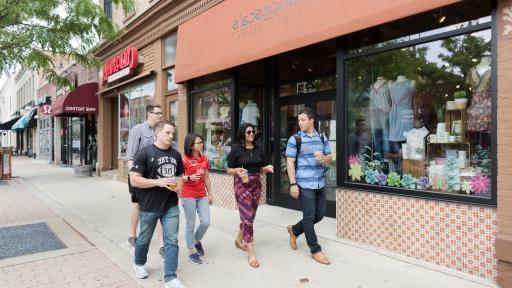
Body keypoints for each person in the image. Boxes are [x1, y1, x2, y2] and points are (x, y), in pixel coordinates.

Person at [130, 121, 186, 288]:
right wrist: (158, 182)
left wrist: (178, 187)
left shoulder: (176, 155)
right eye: (168, 132)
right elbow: (134, 180)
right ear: (158, 133)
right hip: (149, 205)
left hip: (170, 205)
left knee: (171, 240)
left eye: (172, 133)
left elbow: (180, 176)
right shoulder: (145, 154)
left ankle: (170, 278)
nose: (171, 136)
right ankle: (139, 263)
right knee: (144, 239)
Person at [286, 107, 332, 265]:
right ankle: (315, 250)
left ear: (312, 120)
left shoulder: (321, 137)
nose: (300, 123)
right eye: (299, 120)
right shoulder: (295, 139)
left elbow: (330, 157)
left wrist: (324, 158)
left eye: (303, 120)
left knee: (319, 215)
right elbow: (290, 162)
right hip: (304, 183)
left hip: (319, 182)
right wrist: (293, 184)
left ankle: (294, 230)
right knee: (309, 217)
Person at [227, 123, 273, 268]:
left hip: (256, 184)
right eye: (248, 132)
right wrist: (237, 171)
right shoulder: (236, 150)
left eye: (253, 132)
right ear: (242, 134)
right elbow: (228, 170)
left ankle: (238, 240)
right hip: (242, 185)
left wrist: (266, 168)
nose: (252, 134)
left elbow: (260, 168)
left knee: (250, 216)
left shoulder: (259, 149)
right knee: (248, 219)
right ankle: (251, 253)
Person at [126, 104, 165, 259]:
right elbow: (130, 156)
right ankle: (132, 236)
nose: (160, 116)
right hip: (140, 175)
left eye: (161, 113)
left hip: (158, 177)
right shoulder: (138, 130)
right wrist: (134, 175)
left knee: (160, 207)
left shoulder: (161, 130)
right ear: (149, 114)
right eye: (158, 113)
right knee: (137, 205)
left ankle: (162, 245)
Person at [181, 133, 212, 265]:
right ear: (191, 146)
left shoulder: (205, 159)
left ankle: (196, 240)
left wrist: (210, 194)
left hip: (202, 195)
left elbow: (206, 178)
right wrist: (188, 178)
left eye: (202, 142)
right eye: (198, 143)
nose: (201, 145)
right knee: (190, 224)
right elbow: (179, 177)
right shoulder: (184, 160)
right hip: (188, 195)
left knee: (206, 222)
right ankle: (191, 252)